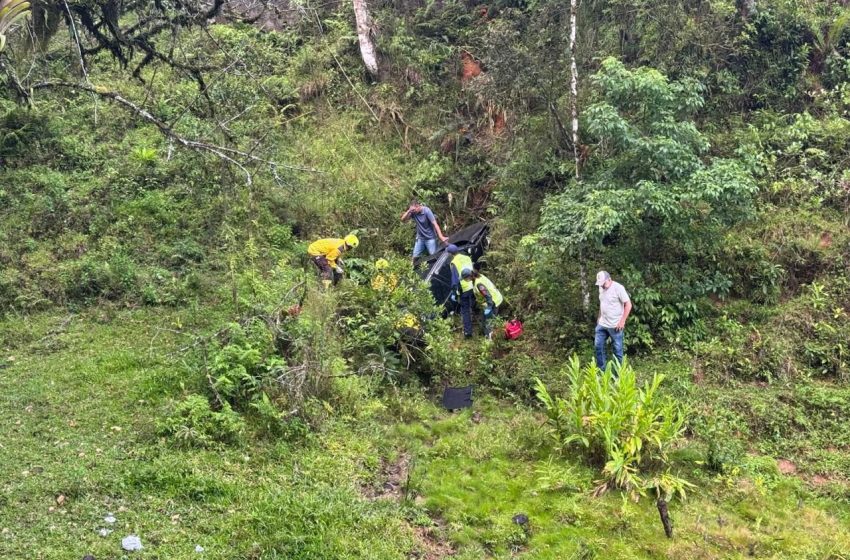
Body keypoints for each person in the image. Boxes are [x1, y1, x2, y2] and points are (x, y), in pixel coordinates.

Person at [594, 270, 632, 372]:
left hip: (615, 325)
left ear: (609, 279)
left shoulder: (618, 288)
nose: (602, 286)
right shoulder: (601, 287)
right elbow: (602, 303)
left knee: (617, 351)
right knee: (598, 347)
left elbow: (628, 305)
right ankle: (601, 372)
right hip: (602, 324)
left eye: (604, 284)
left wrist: (622, 321)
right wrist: (599, 317)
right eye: (600, 284)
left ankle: (617, 376)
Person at [400, 199, 449, 265]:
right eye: (412, 210)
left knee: (434, 256)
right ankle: (411, 270)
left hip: (430, 238)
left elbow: (435, 224)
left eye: (414, 210)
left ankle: (440, 269)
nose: (413, 211)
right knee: (415, 256)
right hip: (420, 238)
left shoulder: (427, 211)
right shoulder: (413, 212)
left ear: (418, 206)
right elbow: (403, 220)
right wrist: (409, 211)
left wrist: (441, 237)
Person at [462, 268, 503, 339]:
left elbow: (487, 295)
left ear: (469, 277)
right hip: (490, 301)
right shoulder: (476, 277)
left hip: (494, 301)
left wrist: (489, 307)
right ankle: (486, 335)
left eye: (465, 278)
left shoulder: (479, 284)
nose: (465, 280)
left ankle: (489, 340)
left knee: (489, 323)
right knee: (484, 320)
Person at [447, 244, 474, 338]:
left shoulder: (454, 262)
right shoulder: (467, 258)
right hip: (473, 285)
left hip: (464, 289)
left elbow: (455, 280)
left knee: (465, 311)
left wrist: (454, 293)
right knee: (474, 304)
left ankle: (468, 333)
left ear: (450, 254)